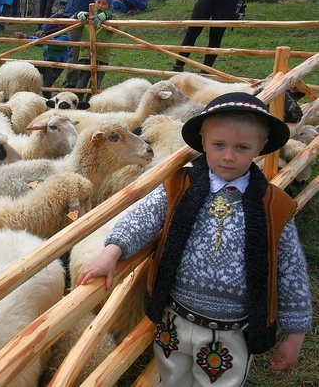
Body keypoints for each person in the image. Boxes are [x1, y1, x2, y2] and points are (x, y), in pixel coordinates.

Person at [77, 92, 312, 386]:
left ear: (260, 147)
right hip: (173, 320)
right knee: (171, 377)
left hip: (231, 331)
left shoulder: (274, 206)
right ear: (203, 141)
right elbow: (143, 218)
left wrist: (296, 331)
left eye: (241, 147)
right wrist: (113, 250)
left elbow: (291, 270)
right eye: (219, 145)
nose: (228, 156)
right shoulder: (180, 184)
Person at [61, 0, 110, 90]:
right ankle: (76, 83)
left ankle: (71, 85)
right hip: (79, 7)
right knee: (78, 49)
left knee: (75, 49)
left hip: (80, 8)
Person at [74, 0, 115, 90]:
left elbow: (118, 24)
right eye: (98, 2)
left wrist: (105, 15)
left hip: (101, 56)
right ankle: (78, 101)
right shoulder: (88, 15)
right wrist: (78, 14)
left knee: (96, 85)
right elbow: (71, 21)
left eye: (104, 3)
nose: (100, 5)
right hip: (85, 54)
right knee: (81, 82)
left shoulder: (110, 18)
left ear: (109, 5)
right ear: (95, 1)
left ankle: (92, 102)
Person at [15, 22, 70, 97]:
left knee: (46, 87)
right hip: (46, 63)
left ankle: (48, 104)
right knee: (28, 68)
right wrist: (26, 36)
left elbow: (55, 44)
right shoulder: (48, 38)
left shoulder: (65, 38)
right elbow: (39, 41)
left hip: (56, 66)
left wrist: (45, 37)